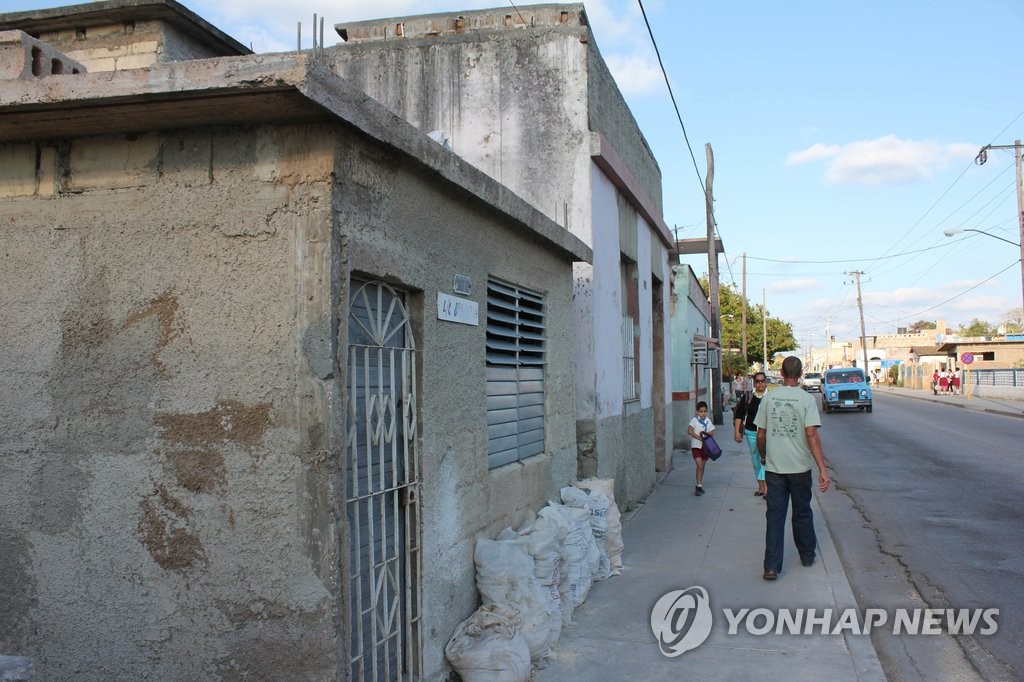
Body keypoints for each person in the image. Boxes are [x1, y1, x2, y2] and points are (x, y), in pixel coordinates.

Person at [754, 356, 830, 581]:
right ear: (800, 374)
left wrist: (764, 457)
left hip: (775, 469)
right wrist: (822, 469)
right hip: (800, 468)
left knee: (775, 516)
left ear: (782, 372)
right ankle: (807, 555)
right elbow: (811, 435)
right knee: (802, 512)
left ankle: (771, 566)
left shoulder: (769, 399)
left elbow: (761, 434)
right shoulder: (806, 400)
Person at [733, 371, 768, 497]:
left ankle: (767, 488)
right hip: (751, 432)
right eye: (757, 381)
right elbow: (739, 414)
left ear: (766, 381)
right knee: (756, 460)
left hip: (767, 434)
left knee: (765, 459)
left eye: (762, 381)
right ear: (754, 382)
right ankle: (761, 486)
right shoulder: (748, 396)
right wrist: (737, 431)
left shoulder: (771, 397)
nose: (760, 384)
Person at [686, 401, 715, 496]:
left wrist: (706, 434)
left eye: (705, 411)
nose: (703, 413)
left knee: (702, 466)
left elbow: (712, 431)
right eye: (701, 411)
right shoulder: (694, 420)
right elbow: (689, 431)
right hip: (696, 446)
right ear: (697, 412)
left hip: (705, 447)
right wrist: (698, 437)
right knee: (699, 465)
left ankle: (699, 485)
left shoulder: (708, 421)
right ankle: (698, 485)